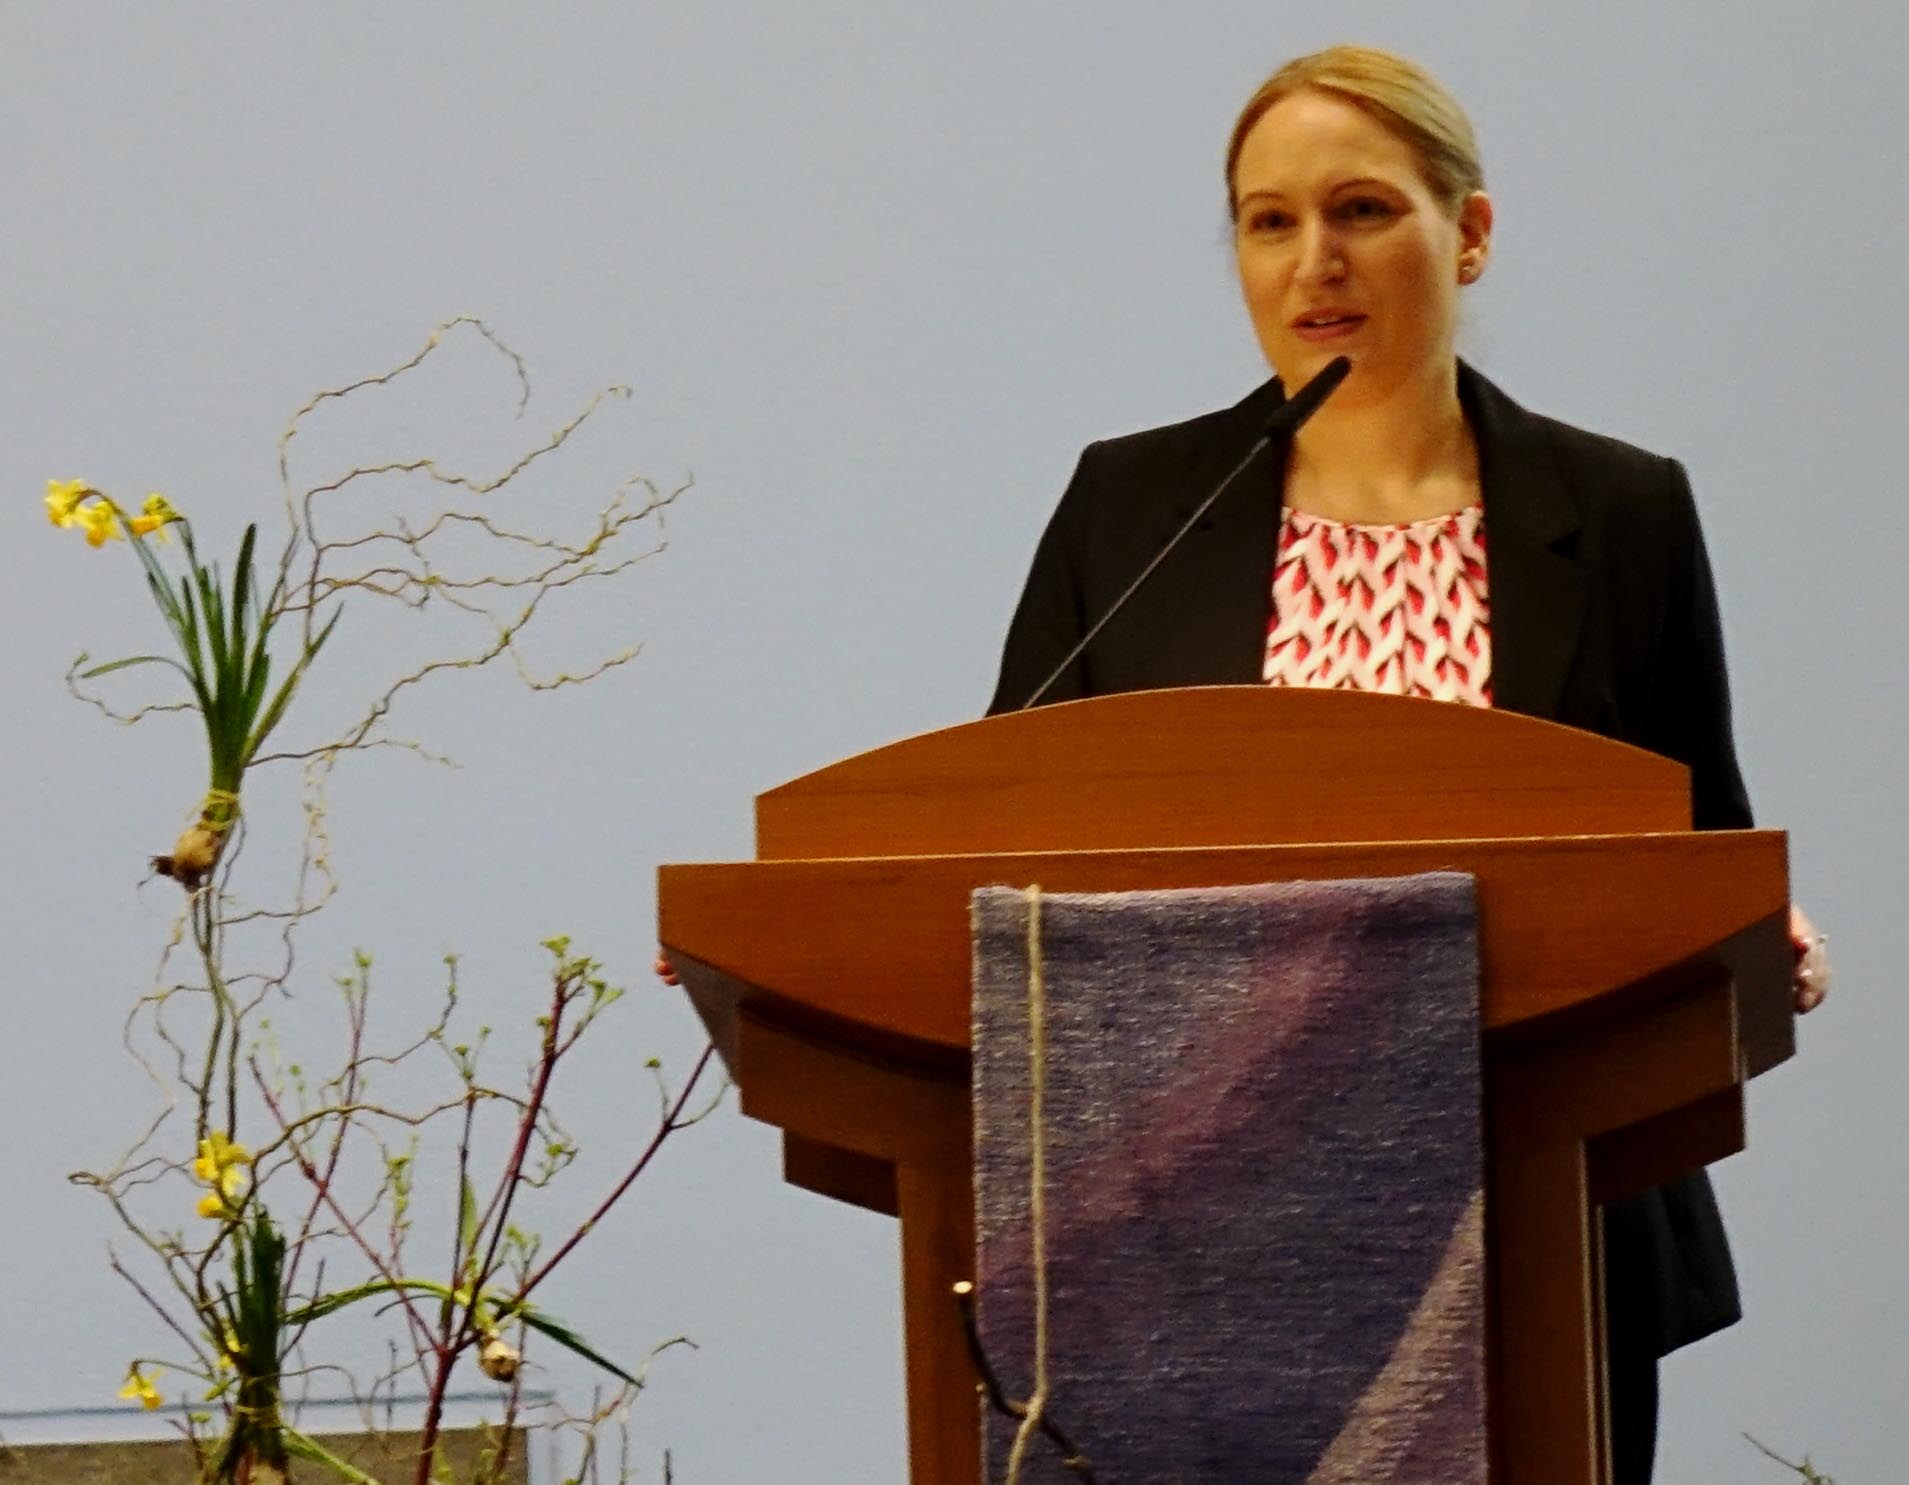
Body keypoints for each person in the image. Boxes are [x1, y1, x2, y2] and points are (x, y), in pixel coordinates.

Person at [984, 44, 1829, 1485]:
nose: (1313, 260)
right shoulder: (1134, 508)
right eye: (1268, 221)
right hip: (1194, 1237)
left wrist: (1762, 927)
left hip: (1544, 1206)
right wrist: (791, 934)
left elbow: (1697, 836)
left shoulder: (1619, 510)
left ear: (1470, 232)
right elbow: (993, 841)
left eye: (1362, 209)